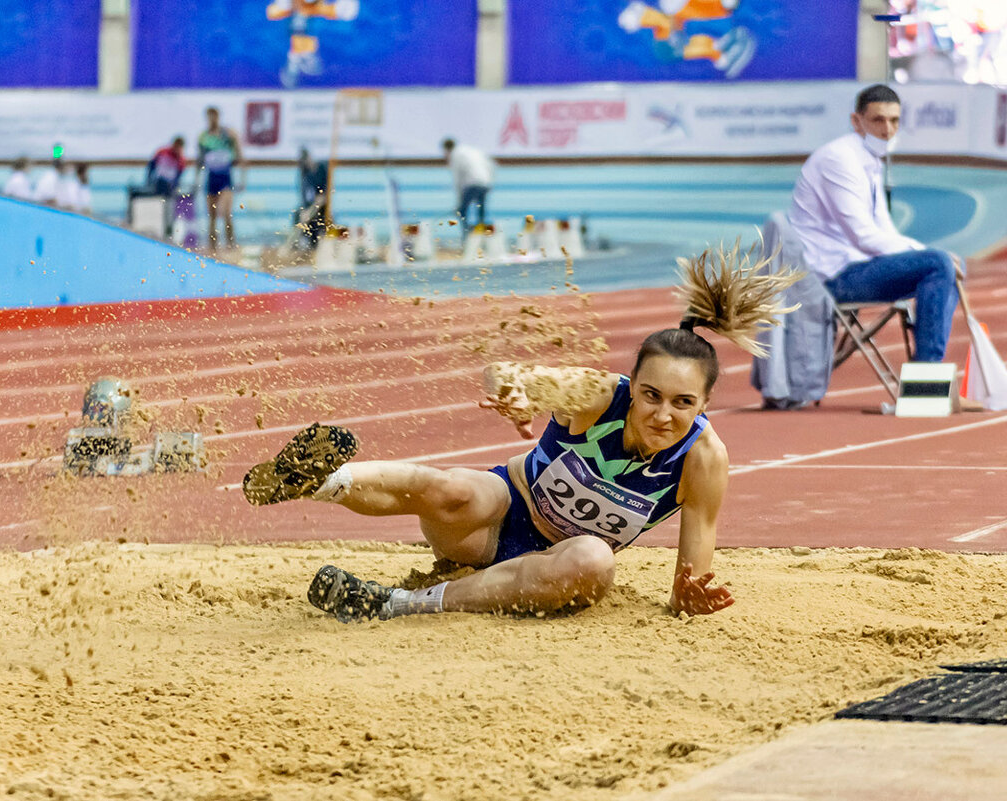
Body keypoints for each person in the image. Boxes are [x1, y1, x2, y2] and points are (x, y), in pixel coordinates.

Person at [241, 247, 800, 623]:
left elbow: (687, 581)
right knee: (457, 488)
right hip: (488, 525)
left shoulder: (703, 458)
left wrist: (693, 595)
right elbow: (510, 374)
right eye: (651, 395)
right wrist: (512, 391)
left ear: (704, 406)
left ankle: (398, 603)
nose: (661, 415)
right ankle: (315, 479)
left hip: (556, 569)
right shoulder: (599, 393)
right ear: (633, 385)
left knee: (594, 560)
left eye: (683, 404)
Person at [789, 83, 961, 363]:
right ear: (857, 122)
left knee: (950, 265)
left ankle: (928, 379)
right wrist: (923, 253)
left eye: (894, 121)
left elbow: (883, 230)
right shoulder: (839, 159)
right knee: (939, 264)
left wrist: (924, 254)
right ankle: (926, 380)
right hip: (830, 276)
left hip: (855, 266)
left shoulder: (869, 160)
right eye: (878, 120)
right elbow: (863, 236)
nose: (888, 130)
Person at [196, 107, 244, 253]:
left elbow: (240, 156)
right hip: (211, 178)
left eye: (214, 117)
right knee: (212, 216)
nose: (212, 120)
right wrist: (196, 180)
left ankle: (231, 244)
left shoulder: (228, 135)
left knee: (226, 211)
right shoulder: (203, 137)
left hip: (225, 178)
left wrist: (242, 178)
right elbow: (200, 160)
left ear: (218, 117)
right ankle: (213, 247)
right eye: (209, 117)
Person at [441, 137, 494, 239]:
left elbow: (458, 180)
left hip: (473, 183)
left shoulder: (456, 155)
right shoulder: (472, 151)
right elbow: (490, 165)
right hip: (485, 182)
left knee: (462, 211)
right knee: (480, 209)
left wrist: (459, 202)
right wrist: (490, 182)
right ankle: (481, 233)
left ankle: (467, 235)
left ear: (447, 150)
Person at [146, 136, 187, 237]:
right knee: (156, 207)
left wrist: (175, 188)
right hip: (158, 183)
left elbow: (179, 176)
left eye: (179, 148)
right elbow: (151, 166)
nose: (177, 149)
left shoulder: (181, 159)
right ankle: (154, 230)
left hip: (169, 187)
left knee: (169, 209)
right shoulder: (162, 152)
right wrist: (148, 181)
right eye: (176, 146)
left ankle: (168, 232)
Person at [295, 147, 328, 250]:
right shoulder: (305, 174)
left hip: (322, 207)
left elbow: (323, 196)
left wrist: (313, 207)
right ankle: (302, 241)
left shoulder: (322, 169)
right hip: (310, 207)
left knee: (317, 221)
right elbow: (305, 195)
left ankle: (316, 245)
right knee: (298, 215)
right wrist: (306, 211)